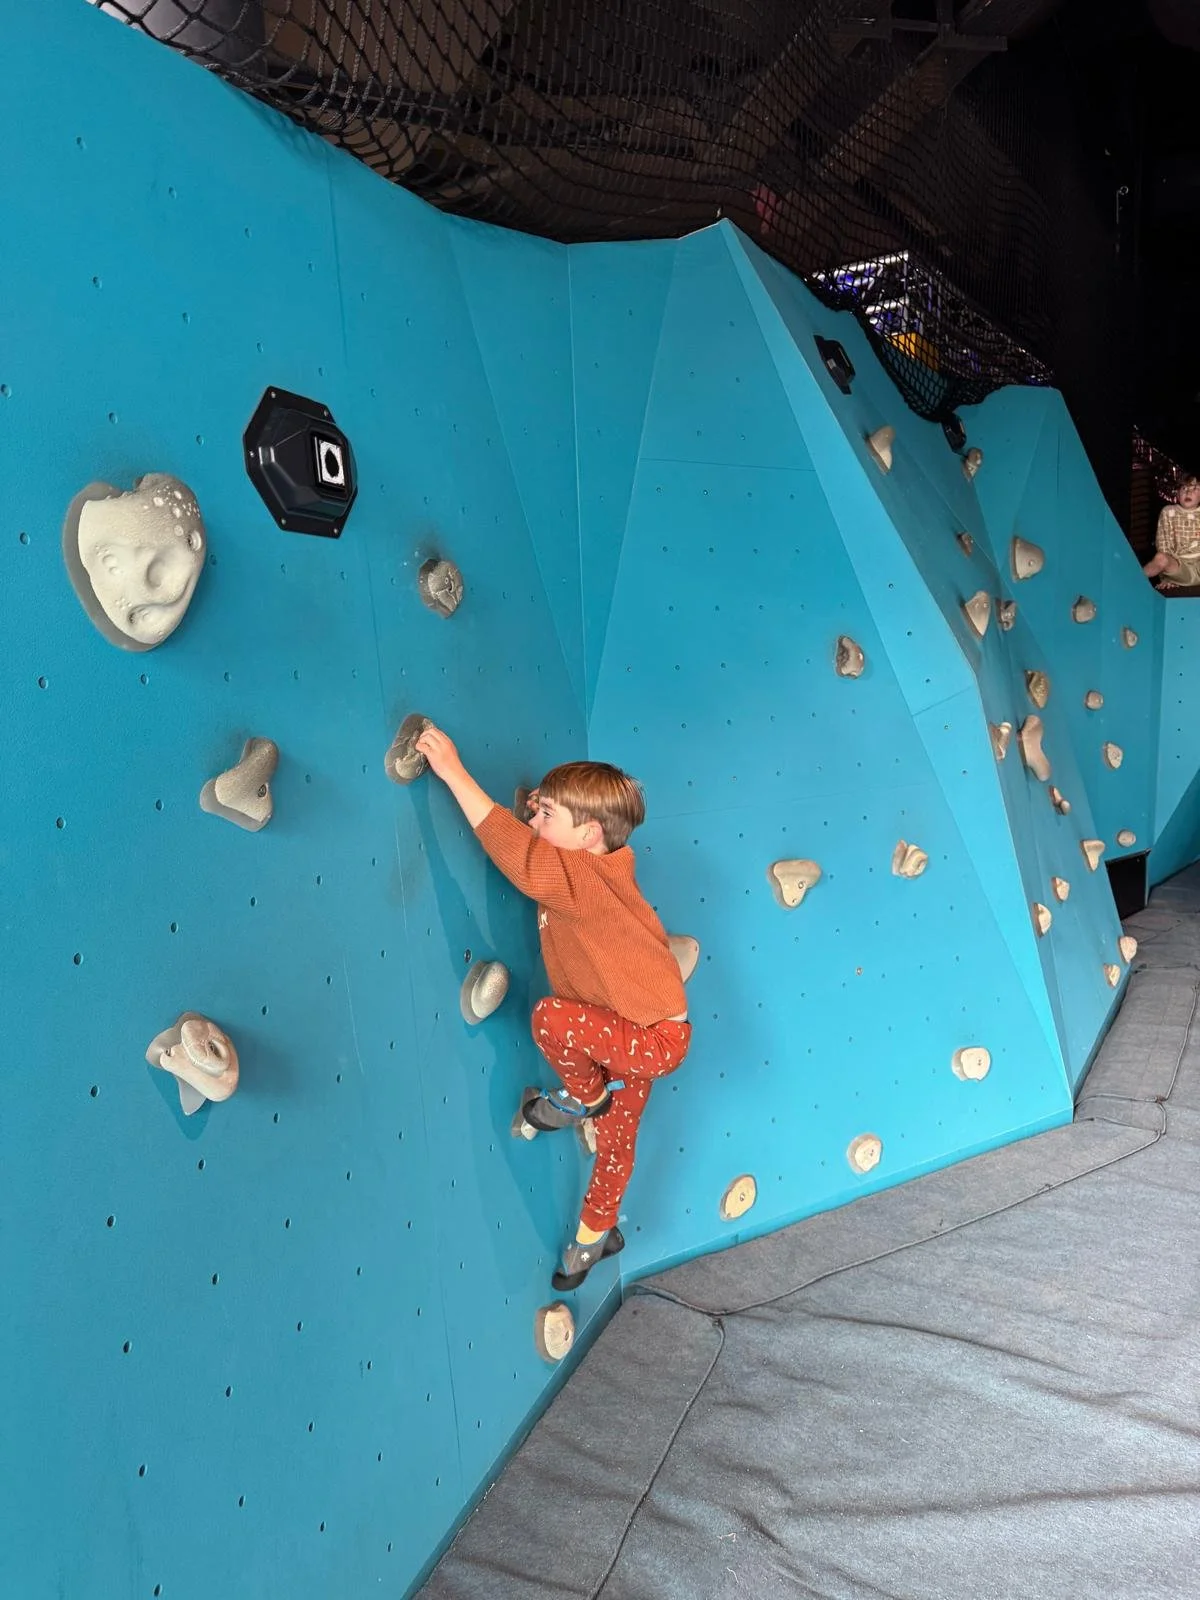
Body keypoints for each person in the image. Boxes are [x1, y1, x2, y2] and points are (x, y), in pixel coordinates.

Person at [414, 724, 691, 1291]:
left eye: (545, 818)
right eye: (535, 814)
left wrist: (453, 771)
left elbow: (515, 854)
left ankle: (583, 1098)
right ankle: (597, 1234)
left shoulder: (582, 881)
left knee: (548, 1019)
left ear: (589, 835)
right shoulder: (601, 870)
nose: (533, 827)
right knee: (616, 1143)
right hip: (637, 1028)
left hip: (648, 1038)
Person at [1144, 474, 1200, 589]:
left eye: (1194, 489)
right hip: (1180, 567)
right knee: (1160, 557)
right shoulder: (1168, 512)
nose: (1188, 493)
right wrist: (1168, 579)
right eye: (1184, 488)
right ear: (1178, 494)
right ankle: (1130, 579)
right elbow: (1163, 546)